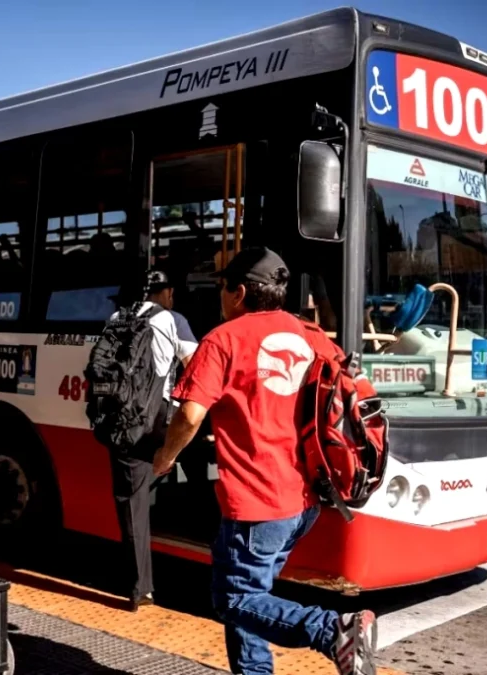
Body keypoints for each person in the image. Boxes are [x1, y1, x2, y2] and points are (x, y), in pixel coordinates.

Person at [153, 247, 378, 675]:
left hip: (255, 502)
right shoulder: (312, 336)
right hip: (304, 498)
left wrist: (166, 457)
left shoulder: (223, 339)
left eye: (222, 287)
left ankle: (333, 630)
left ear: (238, 293)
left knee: (236, 600)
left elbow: (190, 414)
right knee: (256, 596)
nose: (219, 296)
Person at [108, 269, 198, 612]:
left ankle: (139, 588)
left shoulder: (117, 317)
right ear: (168, 293)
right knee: (194, 457)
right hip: (160, 421)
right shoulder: (174, 320)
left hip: (123, 422)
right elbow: (196, 367)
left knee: (132, 504)